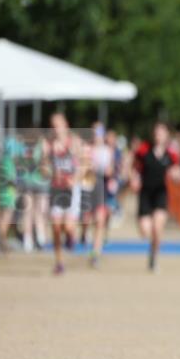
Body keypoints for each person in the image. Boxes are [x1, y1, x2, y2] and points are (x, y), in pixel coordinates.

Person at [132, 122, 180, 271]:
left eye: (161, 132)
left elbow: (177, 172)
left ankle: (153, 257)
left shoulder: (171, 154)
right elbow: (134, 167)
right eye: (156, 132)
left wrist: (176, 175)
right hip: (145, 193)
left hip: (160, 192)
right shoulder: (143, 150)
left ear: (166, 135)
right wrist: (134, 178)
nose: (158, 135)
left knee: (157, 228)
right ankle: (146, 232)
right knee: (145, 231)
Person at [46, 113, 82, 275]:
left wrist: (74, 178)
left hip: (71, 189)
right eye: (53, 126)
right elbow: (44, 167)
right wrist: (51, 174)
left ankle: (70, 235)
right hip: (56, 188)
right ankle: (59, 262)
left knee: (67, 227)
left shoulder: (74, 143)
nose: (56, 129)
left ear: (65, 125)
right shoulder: (49, 145)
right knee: (55, 227)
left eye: (58, 125)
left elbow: (84, 166)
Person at [86, 122, 114, 267]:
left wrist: (99, 169)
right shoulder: (87, 149)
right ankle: (89, 241)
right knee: (89, 220)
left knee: (100, 220)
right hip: (88, 187)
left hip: (101, 187)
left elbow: (110, 171)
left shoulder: (106, 151)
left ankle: (96, 252)